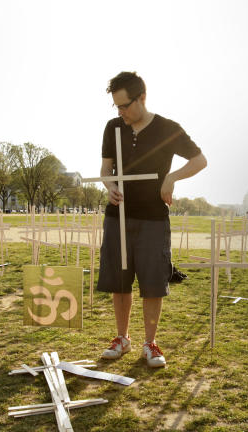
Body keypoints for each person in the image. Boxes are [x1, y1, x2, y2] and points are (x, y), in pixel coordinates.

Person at [97, 71, 207, 368]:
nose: (121, 113)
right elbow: (106, 170)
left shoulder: (168, 129)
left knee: (151, 282)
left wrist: (172, 177)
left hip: (153, 219)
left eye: (125, 106)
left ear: (142, 97)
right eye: (116, 107)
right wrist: (110, 186)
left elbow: (199, 160)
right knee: (120, 280)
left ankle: (150, 343)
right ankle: (122, 338)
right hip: (117, 216)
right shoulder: (113, 128)